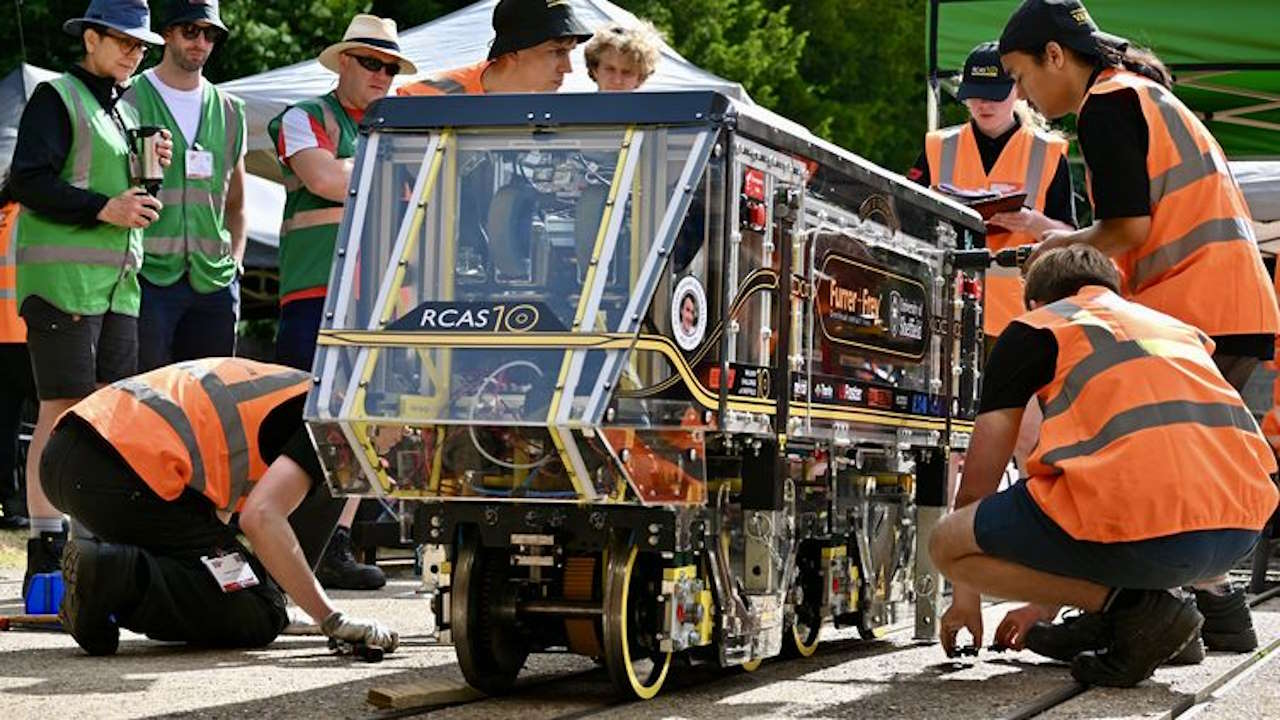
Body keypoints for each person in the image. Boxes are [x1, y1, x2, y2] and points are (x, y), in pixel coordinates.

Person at [997, 0, 1280, 655]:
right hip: (1230, 305)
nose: (1023, 96)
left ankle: (1137, 619)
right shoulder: (1144, 96)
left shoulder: (1107, 105)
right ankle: (1214, 613)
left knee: (1140, 474)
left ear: (1056, 56)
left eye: (1021, 74)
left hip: (1197, 309)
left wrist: (1050, 253)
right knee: (1185, 477)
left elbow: (1128, 229)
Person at [929, 245, 1278, 687]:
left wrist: (965, 600)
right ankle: (1147, 622)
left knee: (949, 544)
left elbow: (976, 489)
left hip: (1149, 531)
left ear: (1037, 301)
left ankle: (1131, 609)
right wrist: (1043, 606)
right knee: (1119, 502)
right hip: (1237, 533)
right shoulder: (1176, 330)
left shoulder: (1038, 328)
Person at [41, 357, 398, 656]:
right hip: (123, 469)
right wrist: (329, 618)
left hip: (72, 453)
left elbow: (215, 520)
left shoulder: (293, 390)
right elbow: (262, 516)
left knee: (240, 590)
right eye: (398, 437)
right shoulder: (330, 423)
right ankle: (111, 574)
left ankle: (107, 578)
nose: (392, 451)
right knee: (259, 614)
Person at [7, 0, 172, 597]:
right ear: (91, 40)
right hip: (62, 285)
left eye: (141, 47)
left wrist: (143, 175)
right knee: (61, 409)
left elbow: (112, 189)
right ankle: (46, 550)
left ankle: (86, 542)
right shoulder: (57, 96)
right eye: (125, 42)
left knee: (103, 416)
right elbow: (25, 180)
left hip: (115, 287)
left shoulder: (120, 109)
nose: (134, 54)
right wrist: (106, 206)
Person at [267, 14, 416, 590]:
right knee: (299, 417)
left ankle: (332, 543)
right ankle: (278, 537)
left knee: (366, 423)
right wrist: (390, 162)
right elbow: (325, 180)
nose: (384, 75)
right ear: (345, 63)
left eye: (391, 67)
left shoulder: (400, 125)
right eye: (373, 63)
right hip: (317, 293)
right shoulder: (304, 116)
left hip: (381, 298)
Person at [909, 41, 1075, 342]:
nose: (983, 105)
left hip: (1022, 318)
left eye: (994, 96)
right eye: (975, 96)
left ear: (1018, 92)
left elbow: (1069, 236)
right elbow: (906, 214)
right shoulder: (938, 146)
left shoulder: (1048, 153)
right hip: (946, 313)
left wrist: (1034, 223)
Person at [123, 0, 247, 372]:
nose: (201, 42)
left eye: (210, 34)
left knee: (209, 400)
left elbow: (237, 203)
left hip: (215, 282)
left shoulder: (229, 109)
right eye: (190, 31)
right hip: (147, 277)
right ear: (165, 34)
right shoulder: (128, 97)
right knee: (145, 396)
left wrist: (236, 263)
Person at [396, 0, 592, 97]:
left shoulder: (560, 119)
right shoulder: (426, 96)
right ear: (514, 50)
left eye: (569, 52)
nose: (567, 68)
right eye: (557, 52)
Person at [0, 189, 35, 529]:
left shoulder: (5, 212)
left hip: (5, 335)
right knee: (49, 425)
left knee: (5, 425)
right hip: (28, 332)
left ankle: (11, 503)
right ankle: (31, 504)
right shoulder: (33, 212)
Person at [583, 22, 661, 92]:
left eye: (627, 72)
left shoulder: (658, 108)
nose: (617, 80)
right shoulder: (575, 107)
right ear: (595, 70)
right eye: (610, 69)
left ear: (640, 78)